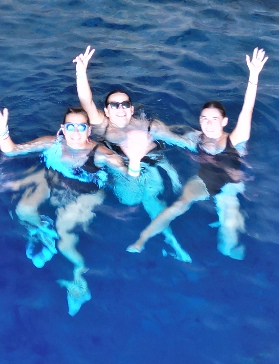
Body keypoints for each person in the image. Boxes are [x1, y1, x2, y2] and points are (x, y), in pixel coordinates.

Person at [0, 103, 123, 315]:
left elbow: (124, 170)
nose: (75, 132)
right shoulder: (52, 143)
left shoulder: (100, 154)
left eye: (81, 127)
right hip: (54, 178)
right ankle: (42, 232)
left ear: (89, 130)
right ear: (63, 129)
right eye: (71, 127)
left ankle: (79, 277)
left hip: (88, 191)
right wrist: (2, 130)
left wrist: (135, 162)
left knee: (65, 234)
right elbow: (12, 151)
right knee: (24, 210)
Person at [127, 47, 268, 260]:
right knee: (179, 205)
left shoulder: (235, 138)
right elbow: (171, 134)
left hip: (230, 185)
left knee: (229, 240)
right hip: (203, 179)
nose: (208, 124)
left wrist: (253, 77)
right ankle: (143, 238)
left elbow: (247, 109)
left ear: (224, 122)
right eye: (204, 119)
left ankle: (230, 255)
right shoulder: (196, 137)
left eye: (214, 119)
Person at [72, 46, 193, 263]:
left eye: (125, 104)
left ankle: (170, 239)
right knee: (132, 199)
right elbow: (86, 103)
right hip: (125, 169)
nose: (120, 108)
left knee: (152, 198)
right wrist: (81, 73)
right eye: (114, 105)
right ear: (107, 110)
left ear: (131, 109)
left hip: (152, 166)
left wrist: (172, 172)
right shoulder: (103, 125)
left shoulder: (148, 125)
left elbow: (172, 145)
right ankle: (167, 238)